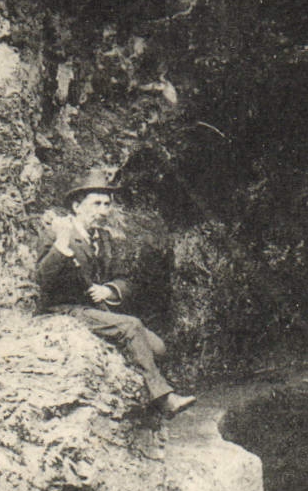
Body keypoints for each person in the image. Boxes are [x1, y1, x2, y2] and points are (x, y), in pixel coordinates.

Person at [36, 170, 196, 417]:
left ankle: (146, 398)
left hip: (98, 309)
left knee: (158, 347)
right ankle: (164, 399)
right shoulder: (56, 233)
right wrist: (62, 243)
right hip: (64, 309)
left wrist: (108, 290)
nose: (103, 210)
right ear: (77, 206)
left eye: (107, 204)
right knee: (131, 326)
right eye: (96, 204)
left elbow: (125, 280)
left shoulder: (104, 238)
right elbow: (43, 278)